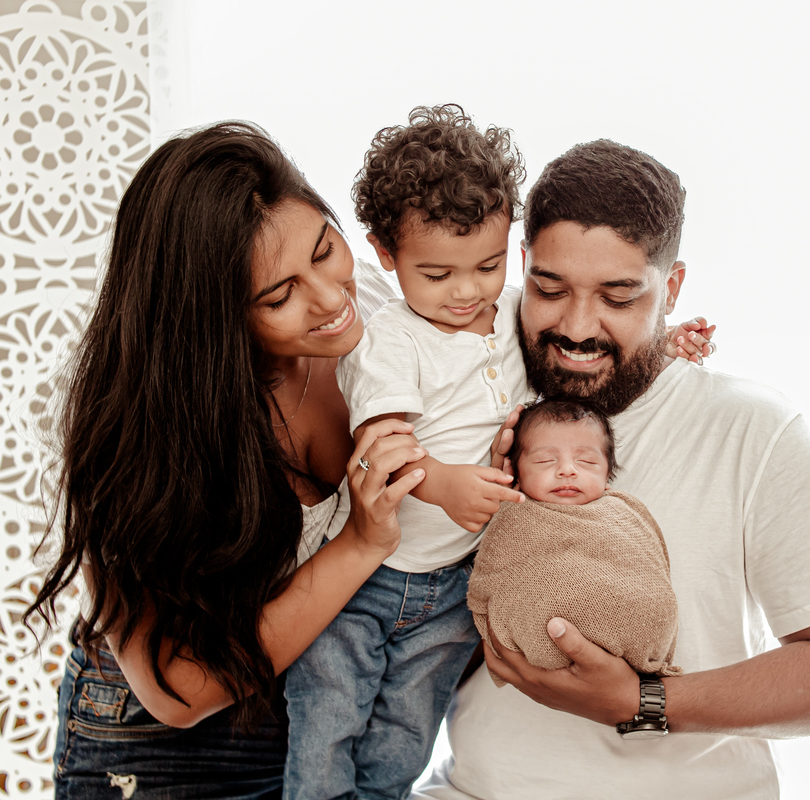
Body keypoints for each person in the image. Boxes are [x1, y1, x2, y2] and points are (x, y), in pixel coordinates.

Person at [414, 140, 810, 799]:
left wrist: (644, 700)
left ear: (672, 287)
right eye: (550, 288)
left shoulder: (754, 431)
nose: (577, 327)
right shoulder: (475, 395)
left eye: (619, 296)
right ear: (522, 267)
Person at [284, 106, 713, 800]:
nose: (464, 292)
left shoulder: (518, 311)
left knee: (404, 731)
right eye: (436, 273)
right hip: (368, 581)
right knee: (329, 718)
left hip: (452, 586)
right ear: (385, 254)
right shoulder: (393, 338)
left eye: (485, 266)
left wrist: (665, 339)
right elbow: (383, 444)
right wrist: (445, 483)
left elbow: (582, 341)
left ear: (511, 241)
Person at [25, 121, 429, 798]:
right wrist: (359, 542)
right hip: (167, 748)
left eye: (326, 251)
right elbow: (179, 689)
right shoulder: (145, 434)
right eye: (279, 296)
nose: (332, 299)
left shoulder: (383, 328)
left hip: (323, 708)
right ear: (212, 317)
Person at [466, 397, 682, 685]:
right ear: (515, 473)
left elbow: (646, 567)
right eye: (545, 461)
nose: (567, 470)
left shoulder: (622, 513)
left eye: (587, 461)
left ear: (607, 476)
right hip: (547, 633)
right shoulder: (516, 517)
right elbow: (495, 576)